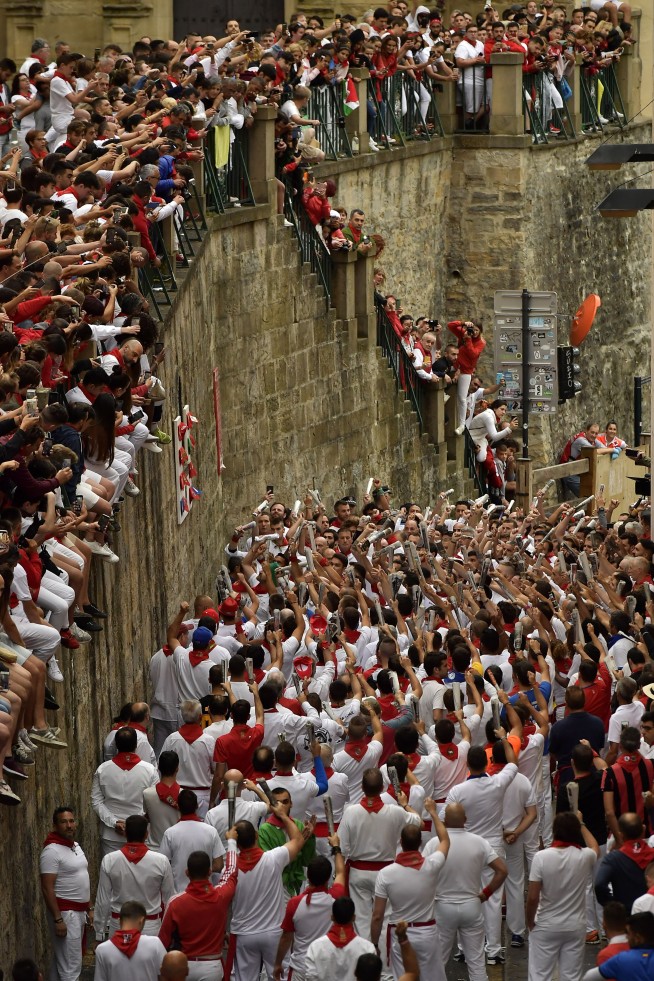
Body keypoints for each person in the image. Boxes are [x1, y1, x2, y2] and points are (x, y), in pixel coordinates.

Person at [444, 737, 518, 966]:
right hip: (493, 847)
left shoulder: (457, 791)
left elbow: (448, 819)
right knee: (493, 900)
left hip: (467, 847)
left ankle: (463, 949)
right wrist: (505, 739)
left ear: (467, 764)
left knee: (464, 895)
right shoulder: (497, 783)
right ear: (487, 763)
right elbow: (513, 764)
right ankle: (493, 950)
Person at [338, 768, 421, 942]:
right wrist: (404, 804)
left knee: (361, 919)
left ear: (362, 787)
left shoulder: (351, 812)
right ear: (382, 787)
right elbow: (418, 822)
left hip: (358, 872)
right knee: (385, 918)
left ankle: (365, 954)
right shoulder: (396, 811)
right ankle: (382, 956)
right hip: (385, 872)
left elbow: (342, 848)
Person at [371, 802, 449, 981]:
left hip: (400, 933)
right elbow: (445, 840)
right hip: (427, 932)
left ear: (401, 842)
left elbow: (377, 916)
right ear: (420, 843)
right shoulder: (432, 865)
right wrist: (433, 813)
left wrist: (375, 943)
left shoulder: (386, 873)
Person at [429, 802, 506, 981]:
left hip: (443, 906)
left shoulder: (434, 843)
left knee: (437, 963)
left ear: (444, 821)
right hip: (472, 905)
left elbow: (423, 874)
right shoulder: (479, 842)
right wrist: (486, 894)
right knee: (477, 963)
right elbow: (502, 871)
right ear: (465, 820)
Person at [228, 804, 305, 981]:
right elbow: (298, 840)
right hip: (273, 933)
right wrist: (283, 816)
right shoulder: (273, 858)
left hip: (244, 934)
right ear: (256, 835)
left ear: (237, 843)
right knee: (279, 977)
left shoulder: (230, 868)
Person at [527, 811, 600, 981]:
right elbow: (595, 847)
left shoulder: (541, 857)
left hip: (546, 924)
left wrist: (529, 921)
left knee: (540, 975)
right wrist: (582, 824)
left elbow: (532, 897)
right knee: (571, 976)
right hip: (575, 925)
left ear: (555, 831)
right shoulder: (584, 856)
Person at [159, 841, 239, 981]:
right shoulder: (221, 895)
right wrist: (232, 842)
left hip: (184, 966)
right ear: (209, 872)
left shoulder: (175, 902)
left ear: (187, 873)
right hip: (212, 967)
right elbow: (232, 870)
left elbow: (163, 941)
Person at [273, 838, 348, 981]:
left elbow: (286, 938)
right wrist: (336, 847)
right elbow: (340, 873)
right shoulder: (335, 897)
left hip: (301, 968)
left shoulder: (295, 903)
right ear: (328, 878)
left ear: (308, 876)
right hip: (327, 968)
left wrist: (277, 963)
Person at [94, 815, 175, 939]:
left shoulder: (110, 860)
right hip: (150, 927)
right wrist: (169, 931)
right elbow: (169, 899)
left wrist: (99, 932)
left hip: (119, 925)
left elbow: (103, 900)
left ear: (125, 833)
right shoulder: (161, 861)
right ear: (146, 834)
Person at [39, 806, 91, 981]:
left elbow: (82, 877)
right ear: (55, 826)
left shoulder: (75, 846)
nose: (69, 825)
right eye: (63, 822)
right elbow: (47, 887)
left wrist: (89, 908)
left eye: (71, 821)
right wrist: (58, 919)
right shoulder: (51, 851)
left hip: (79, 912)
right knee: (71, 967)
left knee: (62, 961)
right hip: (66, 914)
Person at [90, 725, 158, 855]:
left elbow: (96, 802)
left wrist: (114, 822)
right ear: (136, 745)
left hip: (111, 834)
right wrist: (135, 824)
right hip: (140, 833)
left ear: (116, 745)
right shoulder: (150, 770)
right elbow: (154, 802)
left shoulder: (102, 769)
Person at [159, 789, 224, 893]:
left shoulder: (170, 833)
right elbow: (219, 865)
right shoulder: (211, 831)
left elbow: (163, 866)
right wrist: (202, 872)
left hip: (178, 893)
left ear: (178, 807)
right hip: (205, 892)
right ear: (197, 806)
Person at [305, 897, 376, 981]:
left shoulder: (315, 947)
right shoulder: (368, 948)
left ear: (332, 917)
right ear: (354, 917)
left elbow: (310, 977)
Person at [595, 813, 654, 913]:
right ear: (643, 830)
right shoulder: (652, 854)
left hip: (625, 915)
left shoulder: (612, 859)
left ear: (621, 835)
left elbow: (599, 885)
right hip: (651, 914)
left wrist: (613, 905)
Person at [93, 901, 166, 981]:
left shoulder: (102, 949)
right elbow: (166, 975)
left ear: (119, 920)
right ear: (141, 920)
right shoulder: (155, 944)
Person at [582, 911, 654, 981]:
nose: (627, 937)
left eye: (628, 933)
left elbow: (588, 977)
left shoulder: (622, 959)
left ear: (638, 938)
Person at [143, 751, 181, 850]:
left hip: (155, 848)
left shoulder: (147, 793)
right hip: (177, 848)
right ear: (177, 768)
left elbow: (147, 816)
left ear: (159, 768)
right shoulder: (185, 795)